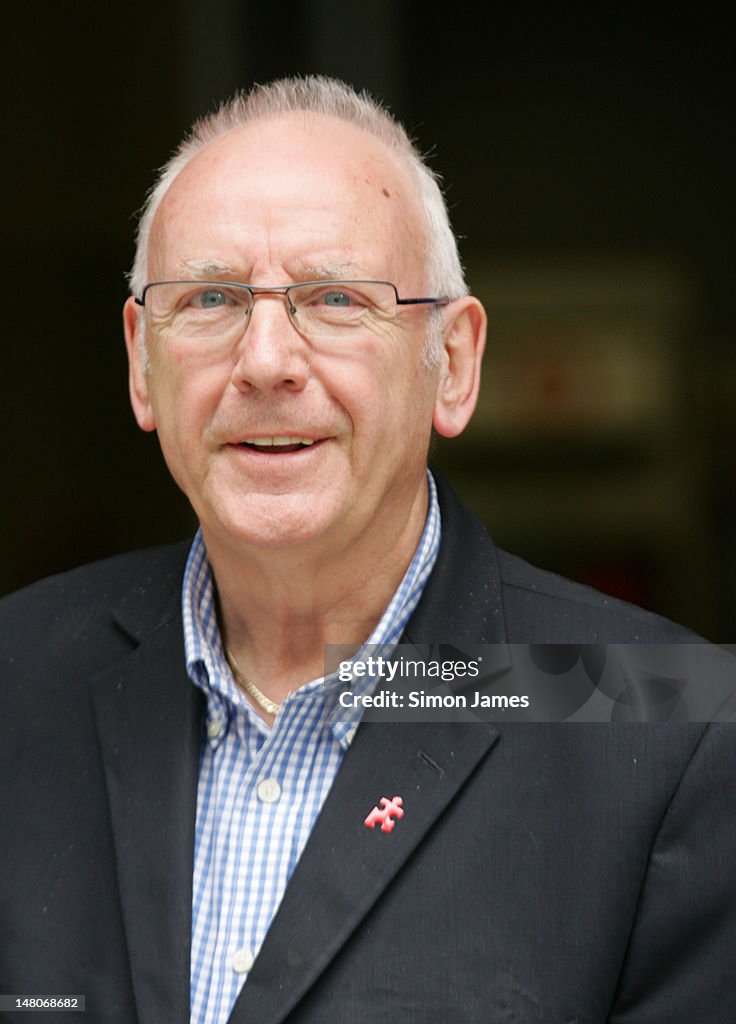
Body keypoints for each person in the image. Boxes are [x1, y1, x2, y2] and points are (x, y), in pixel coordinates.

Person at [1, 75, 735, 1024]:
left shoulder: (660, 720)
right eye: (212, 298)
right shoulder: (20, 678)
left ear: (453, 365)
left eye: (337, 298)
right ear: (143, 362)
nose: (266, 361)